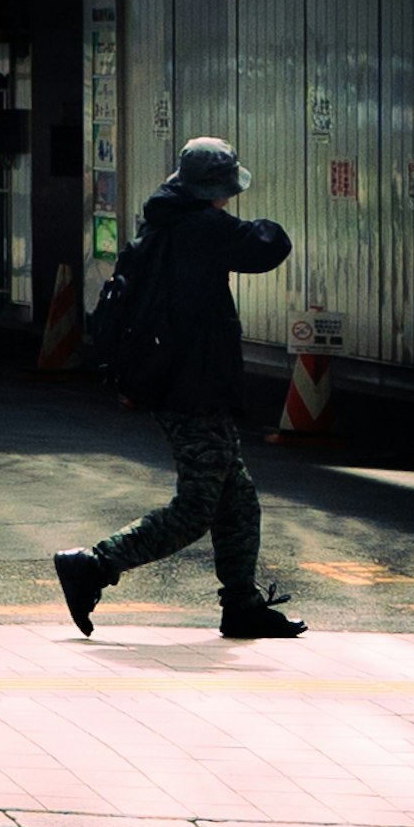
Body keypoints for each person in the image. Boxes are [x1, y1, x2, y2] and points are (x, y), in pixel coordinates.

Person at [51, 137, 303, 640]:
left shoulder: (162, 221)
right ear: (216, 190)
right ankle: (94, 565)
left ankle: (242, 605)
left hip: (178, 380)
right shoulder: (201, 227)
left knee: (237, 500)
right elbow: (269, 246)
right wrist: (251, 221)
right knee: (197, 506)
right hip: (194, 386)